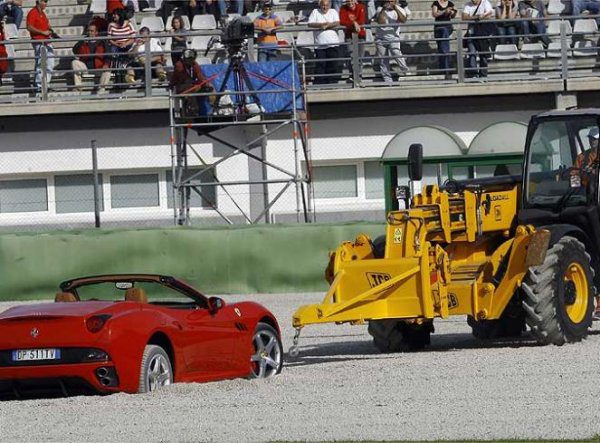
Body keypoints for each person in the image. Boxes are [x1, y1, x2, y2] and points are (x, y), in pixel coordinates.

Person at [170, 48, 215, 119]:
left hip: (191, 85)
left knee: (208, 87)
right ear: (184, 58)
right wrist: (196, 85)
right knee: (190, 88)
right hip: (179, 86)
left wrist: (206, 83)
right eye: (189, 58)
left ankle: (213, 108)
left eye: (192, 58)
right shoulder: (179, 65)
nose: (191, 60)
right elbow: (184, 80)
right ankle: (193, 111)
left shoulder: (194, 64)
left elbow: (200, 76)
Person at [375, 0, 410, 84]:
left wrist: (395, 8)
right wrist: (384, 9)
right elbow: (381, 22)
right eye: (388, 1)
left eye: (391, 1)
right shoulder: (380, 9)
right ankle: (388, 80)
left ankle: (405, 70)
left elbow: (403, 20)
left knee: (396, 52)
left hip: (394, 37)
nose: (389, 3)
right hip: (380, 38)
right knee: (383, 60)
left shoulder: (399, 9)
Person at [308, 0, 342, 85]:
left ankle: (332, 82)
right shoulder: (315, 12)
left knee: (333, 64)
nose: (325, 7)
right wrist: (320, 25)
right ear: (320, 5)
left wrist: (327, 25)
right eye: (323, 5)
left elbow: (337, 22)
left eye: (327, 5)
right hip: (320, 44)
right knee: (320, 64)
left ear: (330, 5)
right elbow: (310, 23)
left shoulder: (333, 11)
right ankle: (319, 83)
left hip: (333, 43)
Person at [72, 23, 111, 93]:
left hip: (99, 68)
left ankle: (101, 91)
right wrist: (81, 42)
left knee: (108, 70)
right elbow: (74, 50)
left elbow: (108, 54)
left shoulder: (102, 41)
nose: (89, 32)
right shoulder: (84, 41)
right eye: (88, 31)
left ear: (96, 32)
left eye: (92, 31)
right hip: (86, 67)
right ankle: (78, 87)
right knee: (74, 62)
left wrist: (106, 64)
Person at [26, 0, 54, 91]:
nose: (46, 3)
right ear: (39, 1)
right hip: (39, 41)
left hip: (47, 41)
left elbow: (47, 26)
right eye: (44, 1)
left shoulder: (43, 13)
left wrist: (51, 31)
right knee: (41, 63)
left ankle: (46, 84)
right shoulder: (32, 12)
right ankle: (39, 86)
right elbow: (29, 27)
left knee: (50, 63)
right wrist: (42, 32)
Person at [461, 0, 494, 78]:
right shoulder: (468, 5)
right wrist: (477, 17)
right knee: (472, 53)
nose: (473, 0)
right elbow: (464, 17)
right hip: (472, 32)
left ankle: (483, 75)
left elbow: (488, 16)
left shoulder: (485, 2)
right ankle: (474, 74)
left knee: (483, 55)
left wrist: (471, 17)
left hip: (483, 32)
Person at [107, 8, 136, 85]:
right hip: (116, 45)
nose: (113, 16)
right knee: (114, 51)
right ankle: (118, 72)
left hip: (127, 44)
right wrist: (117, 44)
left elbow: (133, 38)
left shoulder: (129, 24)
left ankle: (126, 70)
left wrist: (125, 44)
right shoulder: (111, 25)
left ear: (120, 15)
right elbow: (109, 39)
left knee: (129, 51)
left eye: (115, 14)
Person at [340, 0, 367, 78]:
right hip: (349, 35)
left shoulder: (360, 7)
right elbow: (342, 21)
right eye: (348, 1)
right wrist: (354, 23)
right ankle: (353, 76)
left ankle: (359, 76)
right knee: (351, 56)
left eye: (351, 0)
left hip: (360, 35)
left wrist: (351, 23)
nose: (350, 3)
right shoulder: (343, 8)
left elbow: (361, 21)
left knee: (360, 57)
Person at [431, 0, 456, 79]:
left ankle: (446, 69)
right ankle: (444, 68)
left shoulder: (450, 3)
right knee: (441, 48)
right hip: (438, 28)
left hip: (447, 28)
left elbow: (453, 15)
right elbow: (434, 14)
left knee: (444, 47)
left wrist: (451, 13)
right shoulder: (436, 3)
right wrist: (444, 11)